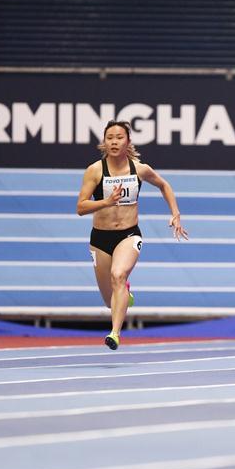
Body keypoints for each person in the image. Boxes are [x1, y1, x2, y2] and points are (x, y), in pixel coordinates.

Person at [77, 120, 188, 350]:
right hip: (100, 239)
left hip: (129, 235)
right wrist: (106, 202)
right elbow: (81, 207)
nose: (114, 141)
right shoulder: (95, 171)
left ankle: (115, 333)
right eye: (110, 137)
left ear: (128, 141)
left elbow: (164, 185)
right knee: (110, 300)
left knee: (119, 275)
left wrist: (175, 213)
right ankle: (124, 295)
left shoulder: (139, 169)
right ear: (104, 142)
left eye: (119, 137)